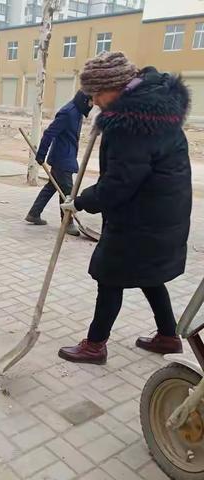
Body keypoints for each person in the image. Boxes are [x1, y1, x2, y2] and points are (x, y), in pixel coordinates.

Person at [58, 52, 192, 365]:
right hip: (163, 214)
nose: (93, 102)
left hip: (140, 217)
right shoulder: (158, 105)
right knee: (149, 274)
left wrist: (79, 202)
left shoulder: (130, 123)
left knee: (110, 276)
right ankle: (168, 336)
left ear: (113, 88)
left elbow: (119, 184)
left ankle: (94, 345)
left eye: (95, 95)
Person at [25, 90, 93, 236]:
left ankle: (34, 213)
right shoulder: (68, 113)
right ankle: (67, 223)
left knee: (51, 187)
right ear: (84, 100)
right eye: (90, 102)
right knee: (68, 192)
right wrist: (41, 154)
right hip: (62, 159)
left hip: (66, 156)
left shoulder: (77, 111)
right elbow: (49, 133)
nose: (92, 105)